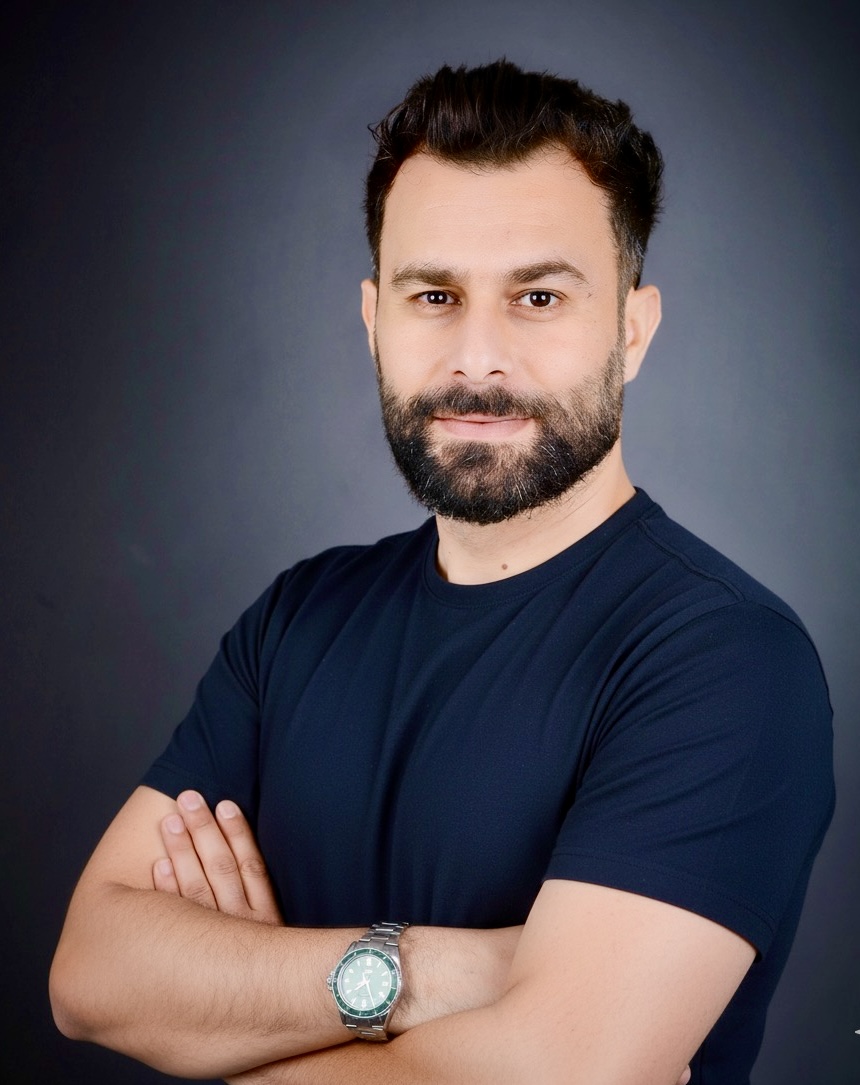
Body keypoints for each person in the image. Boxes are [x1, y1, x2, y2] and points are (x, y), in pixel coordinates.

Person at [50, 60, 834, 1084]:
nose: (477, 358)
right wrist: (444, 969)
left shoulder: (724, 658)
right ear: (373, 319)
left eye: (538, 296)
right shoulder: (297, 619)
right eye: (433, 294)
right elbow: (89, 975)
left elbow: (558, 1071)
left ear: (632, 330)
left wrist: (232, 1022)